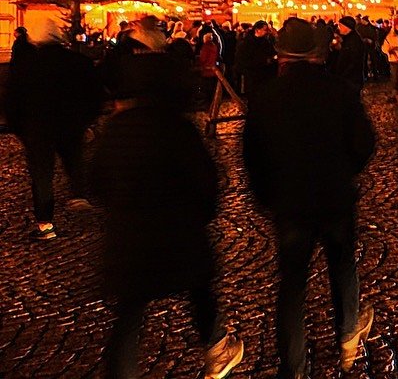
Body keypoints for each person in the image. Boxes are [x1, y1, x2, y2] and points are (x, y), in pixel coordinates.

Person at [90, 52, 243, 379]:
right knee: (200, 290)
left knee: (129, 315)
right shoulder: (177, 129)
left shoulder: (117, 130)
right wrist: (197, 218)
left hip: (128, 242)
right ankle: (217, 347)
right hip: (178, 236)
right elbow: (206, 184)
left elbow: (96, 183)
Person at [242, 19, 377, 377]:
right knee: (342, 265)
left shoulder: (266, 97)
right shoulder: (339, 91)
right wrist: (344, 171)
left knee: (292, 285)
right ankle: (347, 336)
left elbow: (252, 156)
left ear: (281, 54)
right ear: (316, 53)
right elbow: (365, 143)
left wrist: (267, 194)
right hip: (334, 195)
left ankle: (294, 366)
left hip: (290, 202)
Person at [3, 21, 102, 239]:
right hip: (71, 124)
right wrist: (87, 121)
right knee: (73, 159)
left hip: (37, 128)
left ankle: (45, 225)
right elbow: (95, 95)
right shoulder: (79, 62)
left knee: (42, 175)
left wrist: (20, 129)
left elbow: (12, 100)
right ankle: (78, 194)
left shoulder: (27, 66)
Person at [234, 20, 277, 101]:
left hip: (264, 74)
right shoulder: (247, 43)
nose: (266, 32)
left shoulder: (266, 42)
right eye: (265, 30)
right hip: (251, 75)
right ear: (257, 30)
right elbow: (242, 59)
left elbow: (272, 53)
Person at [334, 16, 367, 91]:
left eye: (340, 26)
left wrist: (343, 74)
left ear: (347, 27)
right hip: (348, 78)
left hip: (351, 79)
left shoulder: (354, 41)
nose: (339, 28)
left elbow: (354, 61)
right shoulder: (347, 38)